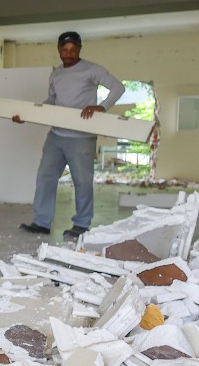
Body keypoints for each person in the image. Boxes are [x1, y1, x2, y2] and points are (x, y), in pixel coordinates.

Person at [15, 31, 124, 240]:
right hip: (56, 136)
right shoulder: (56, 74)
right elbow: (51, 101)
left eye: (73, 50)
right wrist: (27, 115)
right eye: (65, 50)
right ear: (59, 50)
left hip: (81, 138)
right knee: (45, 177)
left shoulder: (91, 70)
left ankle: (82, 224)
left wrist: (101, 107)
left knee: (82, 182)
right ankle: (41, 222)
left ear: (79, 49)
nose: (69, 54)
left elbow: (118, 87)